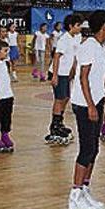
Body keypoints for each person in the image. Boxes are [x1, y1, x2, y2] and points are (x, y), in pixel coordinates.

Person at [66, 11, 105, 209]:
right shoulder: (88, 47)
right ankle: (74, 196)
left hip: (97, 101)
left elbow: (98, 75)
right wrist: (91, 106)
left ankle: (85, 190)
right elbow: (82, 77)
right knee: (86, 150)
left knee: (94, 149)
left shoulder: (101, 47)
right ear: (104, 26)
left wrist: (104, 92)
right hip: (85, 105)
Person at [46, 14, 82, 145]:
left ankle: (60, 121)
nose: (80, 27)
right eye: (78, 25)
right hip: (59, 73)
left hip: (67, 74)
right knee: (59, 98)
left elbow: (74, 56)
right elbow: (56, 57)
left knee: (66, 97)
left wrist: (73, 71)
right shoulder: (64, 39)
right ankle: (54, 126)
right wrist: (55, 75)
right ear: (71, 26)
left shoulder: (77, 38)